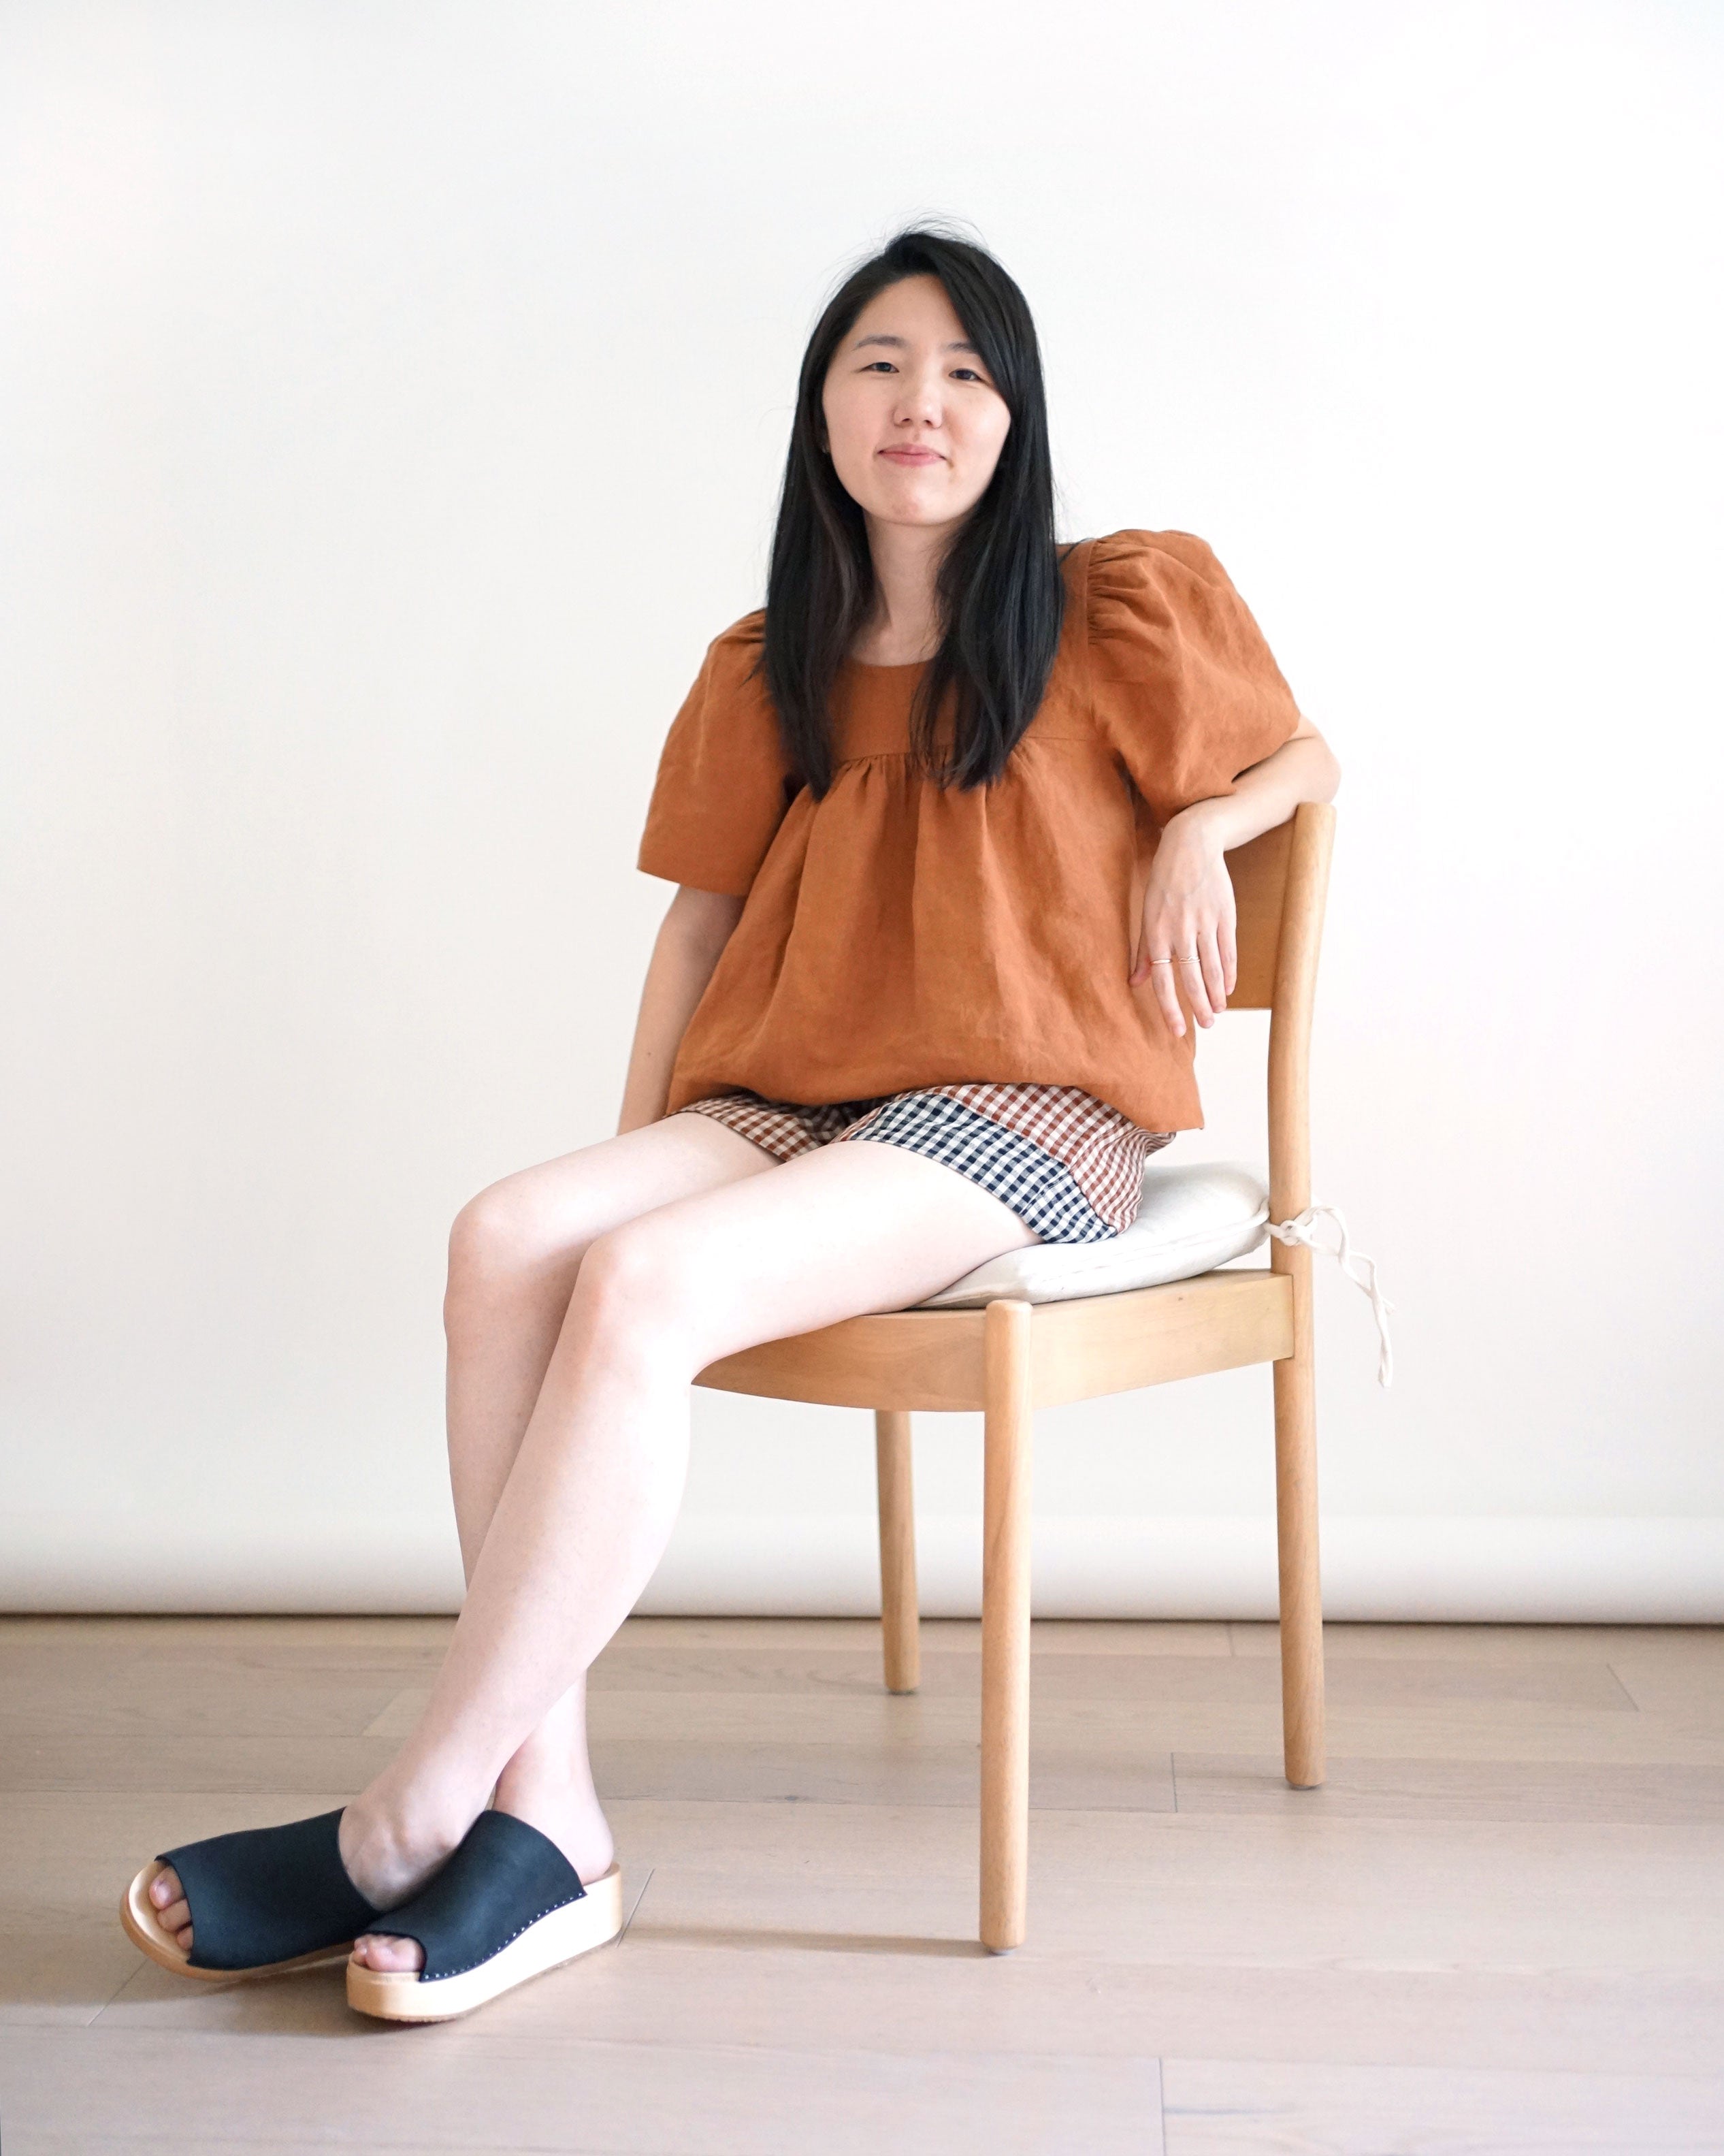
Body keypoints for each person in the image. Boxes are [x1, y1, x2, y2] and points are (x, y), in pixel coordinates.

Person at [120, 225, 1341, 2021]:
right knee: (506, 1241)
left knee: (644, 1287)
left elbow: (1308, 759)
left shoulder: (1123, 604)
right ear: (822, 413)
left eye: (967, 372)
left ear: (1015, 418)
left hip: (1027, 1110)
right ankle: (550, 1815)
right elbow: (699, 932)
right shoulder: (771, 659)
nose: (922, 402)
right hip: (792, 1095)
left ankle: (410, 1815)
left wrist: (1198, 830)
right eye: (880, 366)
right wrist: (622, 1167)